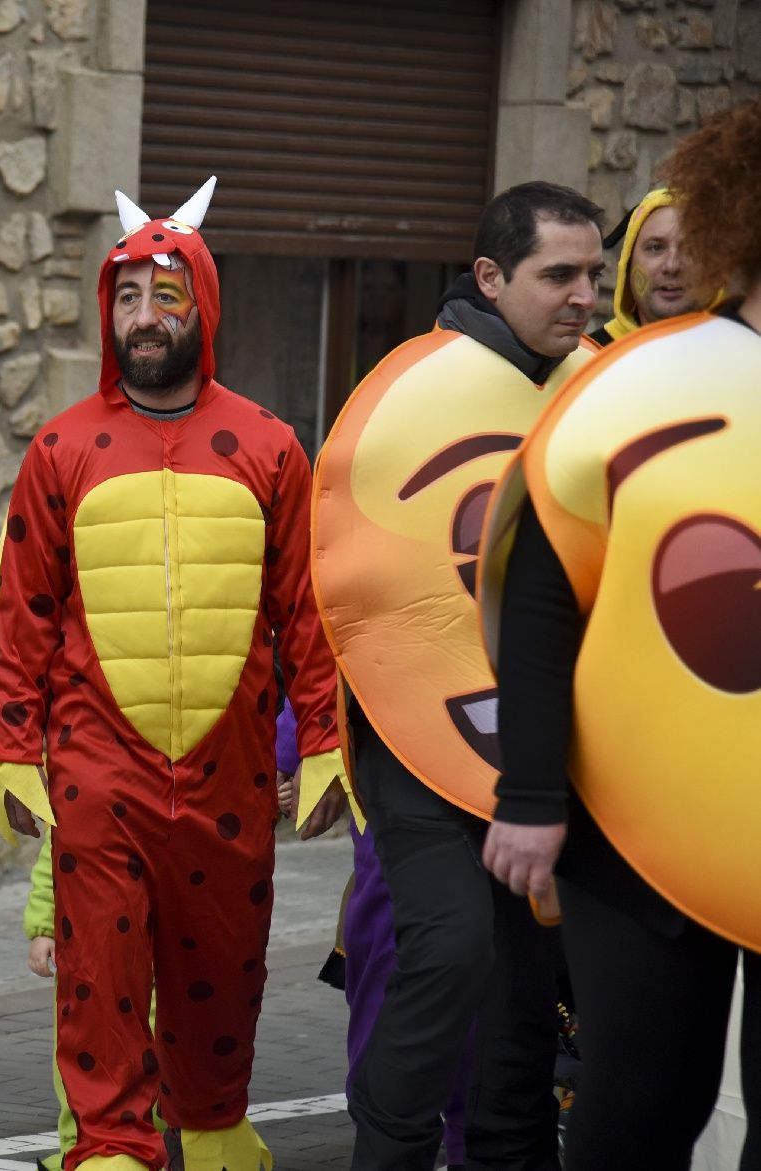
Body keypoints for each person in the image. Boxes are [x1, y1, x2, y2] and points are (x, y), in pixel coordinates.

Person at [0, 180, 347, 1171]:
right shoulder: (59, 448)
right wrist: (14, 748)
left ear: (202, 303)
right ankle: (107, 1142)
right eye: (126, 299)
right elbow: (19, 617)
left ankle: (215, 1115)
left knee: (221, 958)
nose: (143, 319)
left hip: (230, 770)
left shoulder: (272, 448)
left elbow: (306, 611)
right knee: (97, 965)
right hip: (98, 766)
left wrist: (323, 742)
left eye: (165, 296)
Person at [481, 98, 761, 1169]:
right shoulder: (637, 386)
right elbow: (543, 607)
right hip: (636, 826)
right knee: (641, 1106)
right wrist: (530, 798)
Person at [310, 181, 606, 1171]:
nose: (581, 296)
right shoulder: (412, 385)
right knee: (448, 950)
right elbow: (356, 559)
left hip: (548, 745)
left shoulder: (600, 383)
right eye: (556, 274)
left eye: (591, 276)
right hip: (416, 733)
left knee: (527, 987)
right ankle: (385, 1154)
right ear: (489, 276)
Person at [20, 701, 300, 1171]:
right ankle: (87, 1144)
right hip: (97, 936)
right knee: (95, 1034)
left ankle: (159, 1137)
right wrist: (44, 927)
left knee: (174, 1030)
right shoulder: (90, 770)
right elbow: (61, 855)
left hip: (173, 928)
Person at [585, 187, 705, 346]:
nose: (671, 265)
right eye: (656, 247)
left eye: (690, 249)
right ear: (628, 261)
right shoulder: (589, 359)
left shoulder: (742, 353)